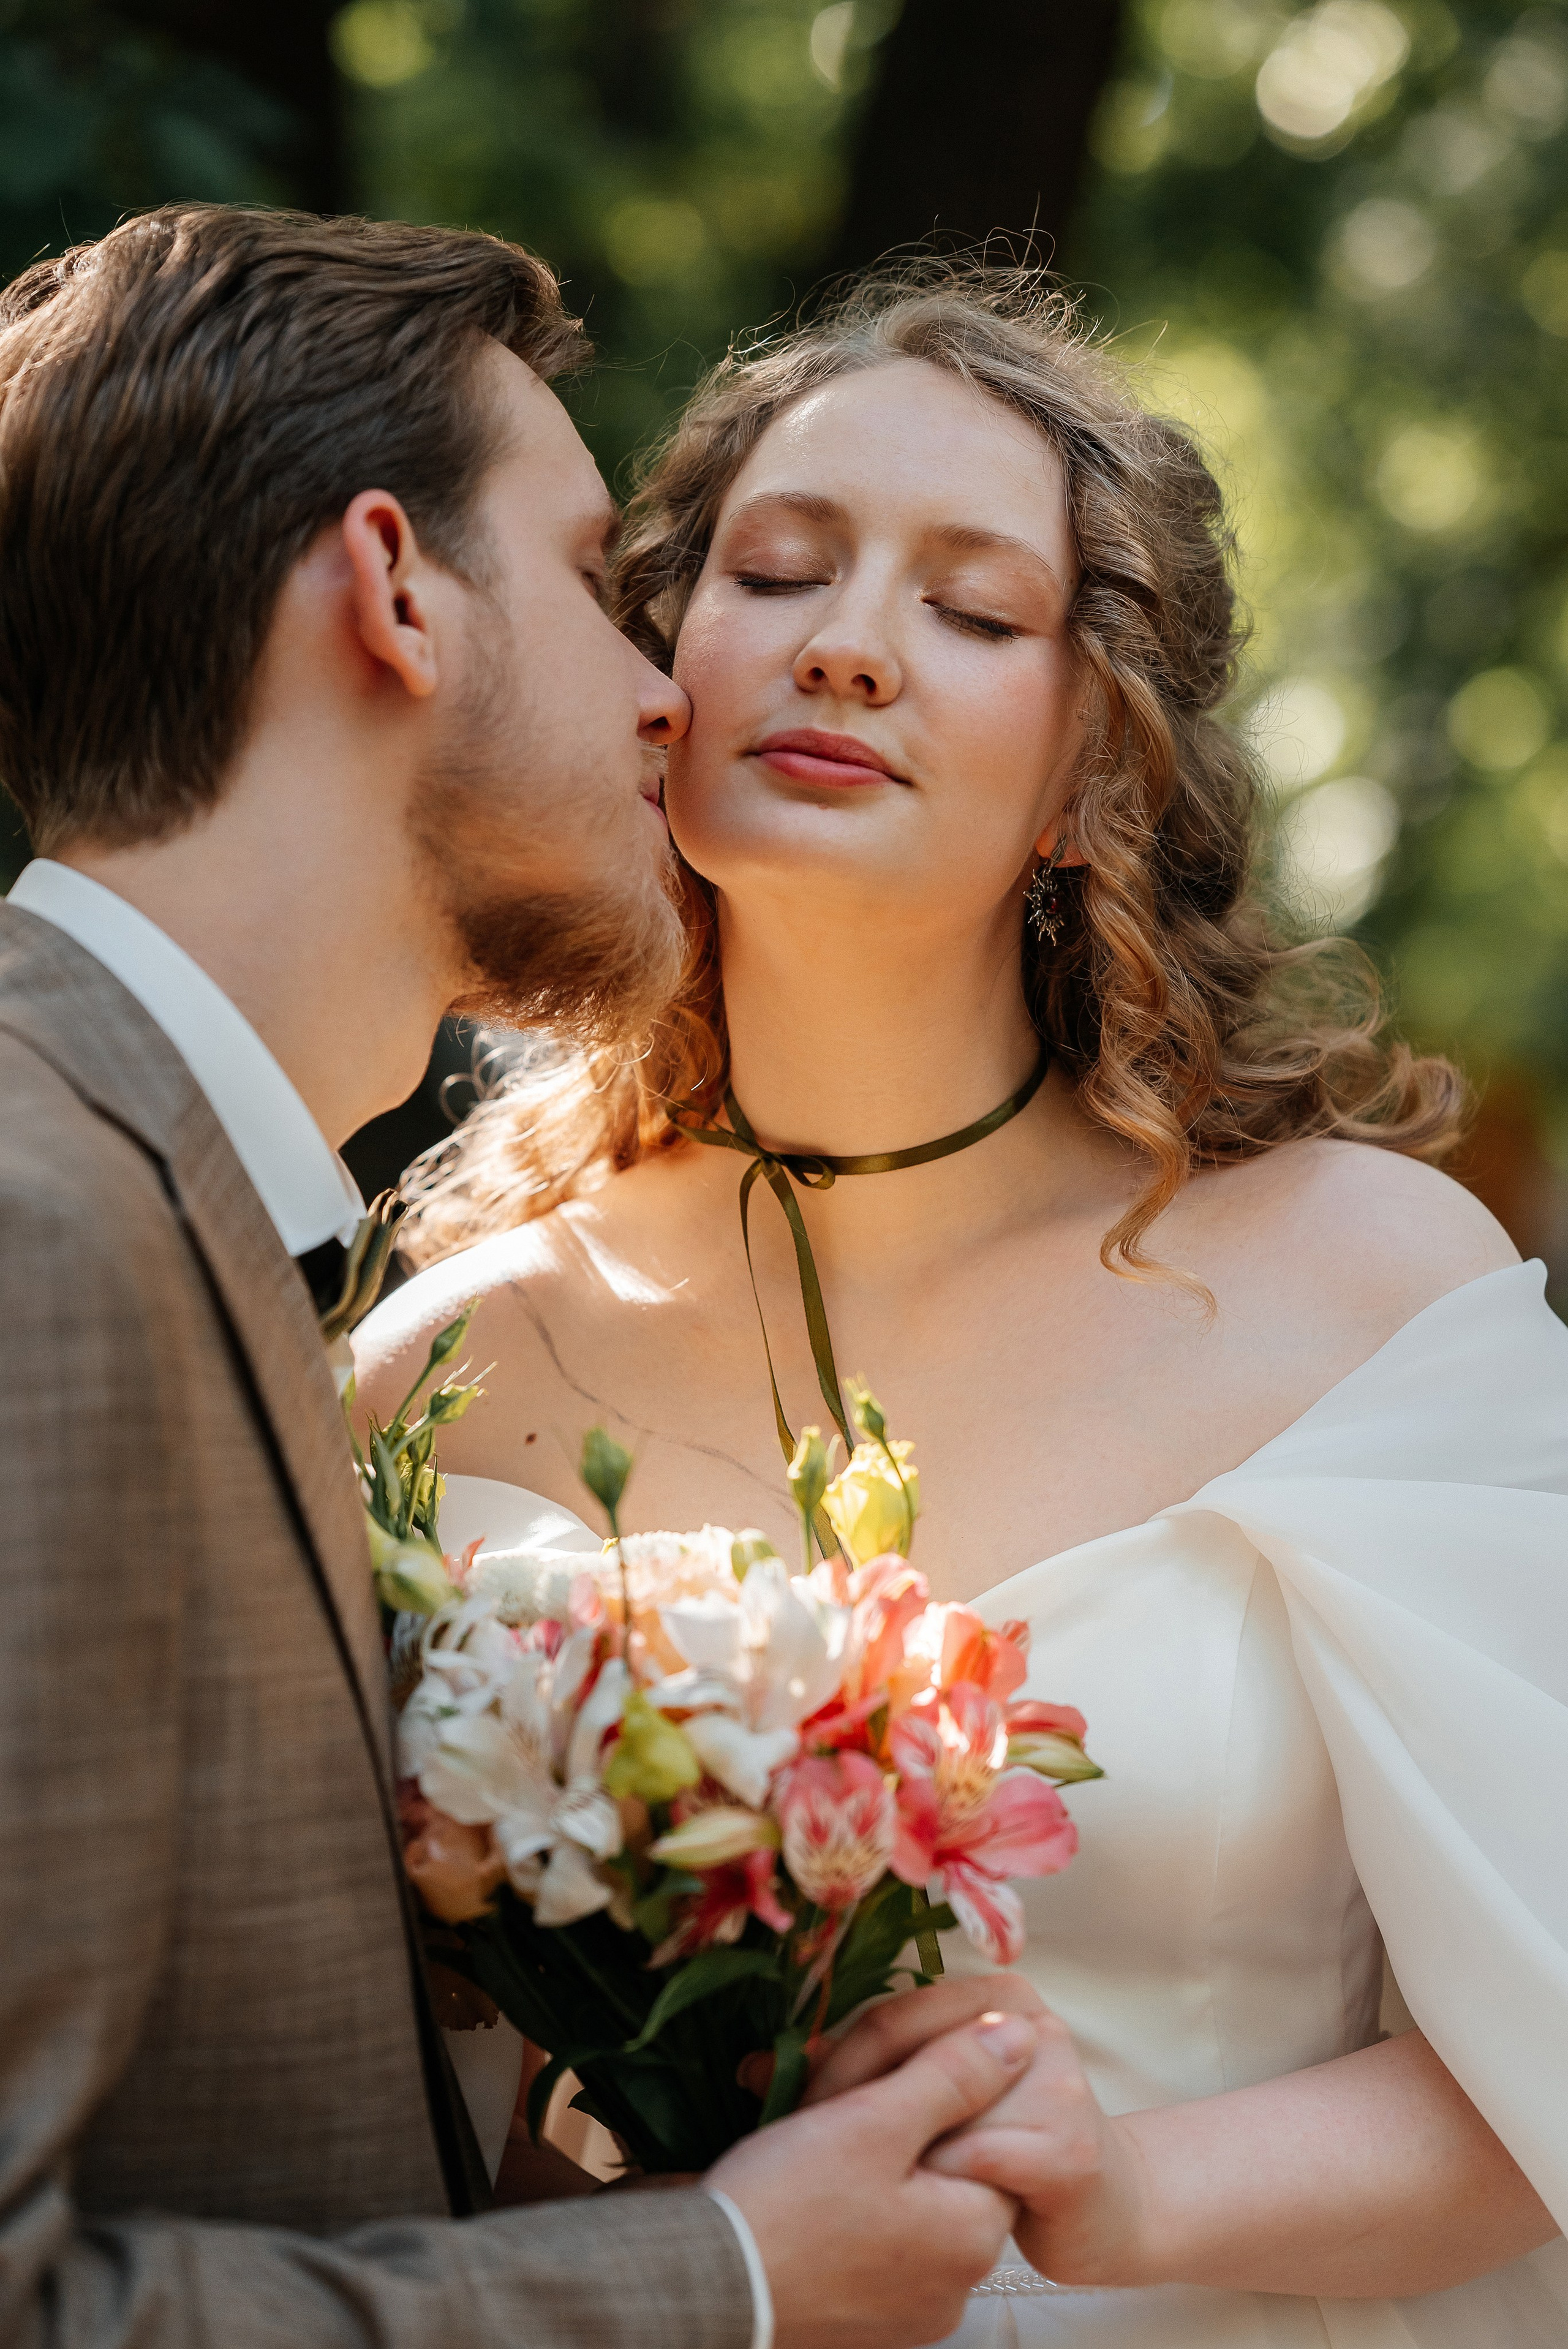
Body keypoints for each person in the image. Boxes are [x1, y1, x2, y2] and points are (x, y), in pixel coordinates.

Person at [358, 267, 1568, 2344]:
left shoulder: (1377, 1285)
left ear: (1096, 758)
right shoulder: (445, 1368)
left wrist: (1124, 2186)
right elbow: (375, 2123)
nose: (846, 643)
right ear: (656, 674)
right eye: (778, 572)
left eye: (975, 610)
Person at [0, 206, 1056, 2349]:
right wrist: (726, 2279)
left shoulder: (160, 1204)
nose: (668, 693)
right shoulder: (41, 1236)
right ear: (395, 591)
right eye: (593, 584)